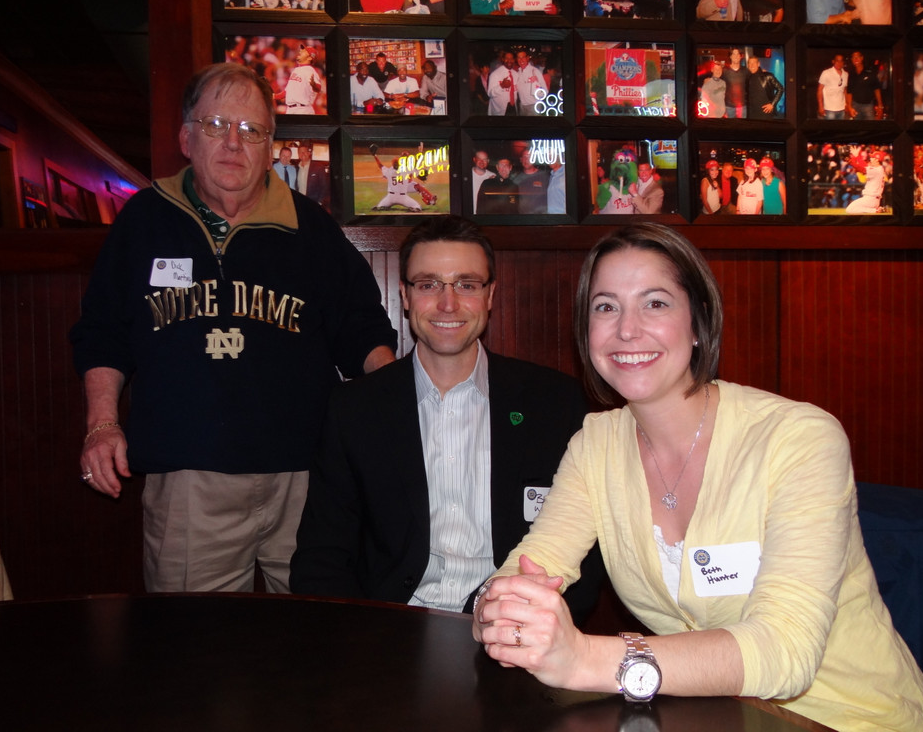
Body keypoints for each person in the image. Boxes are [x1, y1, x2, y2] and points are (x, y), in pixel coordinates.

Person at [471, 223, 923, 732]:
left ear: (698, 322)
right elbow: (529, 568)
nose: (627, 329)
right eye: (605, 307)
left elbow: (786, 651)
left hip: (853, 719)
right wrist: (494, 610)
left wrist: (584, 658)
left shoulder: (800, 438)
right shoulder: (595, 446)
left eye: (655, 303)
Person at [70, 63, 397, 593]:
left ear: (271, 146)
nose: (233, 144)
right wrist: (102, 424)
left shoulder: (310, 228)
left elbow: (361, 330)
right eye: (216, 125)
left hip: (305, 479)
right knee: (197, 656)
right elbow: (103, 331)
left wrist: (397, 417)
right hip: (189, 484)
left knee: (316, 647)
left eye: (252, 131)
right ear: (186, 137)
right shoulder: (144, 220)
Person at [291, 216, 600, 619]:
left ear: (490, 296)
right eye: (428, 284)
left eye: (467, 285)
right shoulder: (354, 409)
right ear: (404, 295)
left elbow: (587, 556)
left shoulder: (557, 403)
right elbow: (322, 556)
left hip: (517, 628)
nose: (448, 303)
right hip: (390, 630)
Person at [283, 45, 322, 114]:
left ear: (310, 58)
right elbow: (286, 92)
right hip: (290, 109)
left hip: (303, 109)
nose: (300, 51)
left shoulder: (311, 71)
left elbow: (318, 88)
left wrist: (313, 85)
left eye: (304, 51)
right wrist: (274, 96)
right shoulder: (296, 70)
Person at [845, 51, 884, 120]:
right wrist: (850, 107)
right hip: (855, 105)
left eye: (857, 57)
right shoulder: (851, 74)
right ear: (851, 60)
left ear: (862, 58)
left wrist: (880, 105)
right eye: (853, 57)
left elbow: (876, 89)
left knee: (870, 127)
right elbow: (849, 92)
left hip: (868, 106)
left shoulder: (870, 71)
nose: (855, 59)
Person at [846, 150, 887, 215]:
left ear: (877, 160)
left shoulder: (877, 170)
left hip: (871, 199)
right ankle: (877, 209)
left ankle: (875, 210)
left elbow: (862, 169)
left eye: (872, 157)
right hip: (872, 199)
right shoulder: (879, 169)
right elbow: (864, 166)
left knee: (850, 209)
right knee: (854, 208)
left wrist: (850, 161)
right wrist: (856, 156)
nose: (870, 159)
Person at [294, 140, 330, 211]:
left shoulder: (318, 167)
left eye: (304, 151)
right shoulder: (296, 168)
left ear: (309, 153)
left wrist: (319, 202)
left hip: (313, 202)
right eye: (300, 152)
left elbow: (324, 185)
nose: (302, 154)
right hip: (300, 202)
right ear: (298, 154)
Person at [745, 55, 783, 119]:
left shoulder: (768, 76)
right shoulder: (749, 77)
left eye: (754, 63)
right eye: (750, 63)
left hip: (765, 112)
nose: (751, 65)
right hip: (752, 112)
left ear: (758, 64)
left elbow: (780, 89)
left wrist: (772, 104)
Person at [514, 49, 548, 116]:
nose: (521, 60)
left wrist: (537, 86)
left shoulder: (535, 71)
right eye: (519, 58)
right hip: (522, 106)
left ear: (527, 58)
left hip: (534, 106)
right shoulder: (518, 72)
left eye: (523, 57)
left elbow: (545, 91)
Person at [513, 149, 548, 214]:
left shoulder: (544, 176)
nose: (526, 160)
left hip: (541, 218)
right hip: (524, 219)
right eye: (524, 157)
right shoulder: (516, 179)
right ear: (521, 159)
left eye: (529, 157)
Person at [486, 50, 519, 116]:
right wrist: (501, 86)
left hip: (513, 107)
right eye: (507, 58)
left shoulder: (516, 74)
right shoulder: (495, 74)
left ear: (514, 60)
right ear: (503, 59)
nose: (509, 60)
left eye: (511, 58)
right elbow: (490, 93)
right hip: (499, 109)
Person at [817, 54, 848, 120]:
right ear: (833, 61)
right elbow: (820, 90)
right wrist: (820, 106)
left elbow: (845, 90)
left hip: (842, 109)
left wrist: (846, 104)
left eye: (841, 61)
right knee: (830, 129)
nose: (839, 63)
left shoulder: (846, 74)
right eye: (837, 61)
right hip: (829, 109)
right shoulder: (826, 73)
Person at [722, 47, 747, 119]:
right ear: (730, 56)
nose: (736, 56)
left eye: (738, 54)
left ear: (740, 56)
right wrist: (708, 79)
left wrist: (762, 72)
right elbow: (717, 80)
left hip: (743, 107)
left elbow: (753, 80)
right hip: (729, 107)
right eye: (733, 54)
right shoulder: (724, 71)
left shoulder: (746, 71)